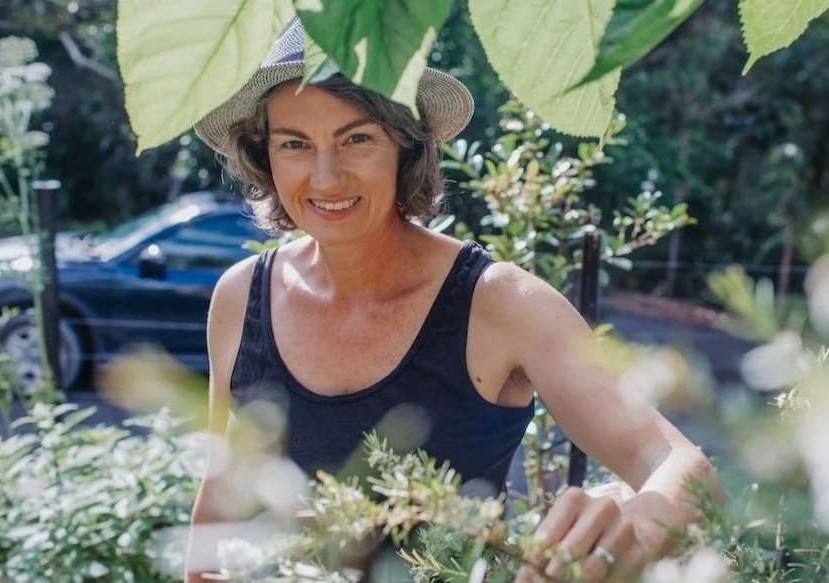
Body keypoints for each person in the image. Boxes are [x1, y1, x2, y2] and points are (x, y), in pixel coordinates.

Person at [185, 19, 717, 583]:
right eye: (295, 143)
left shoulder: (499, 303)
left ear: (405, 146)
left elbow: (685, 470)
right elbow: (217, 516)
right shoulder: (241, 296)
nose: (326, 175)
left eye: (356, 139)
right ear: (264, 156)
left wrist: (631, 529)